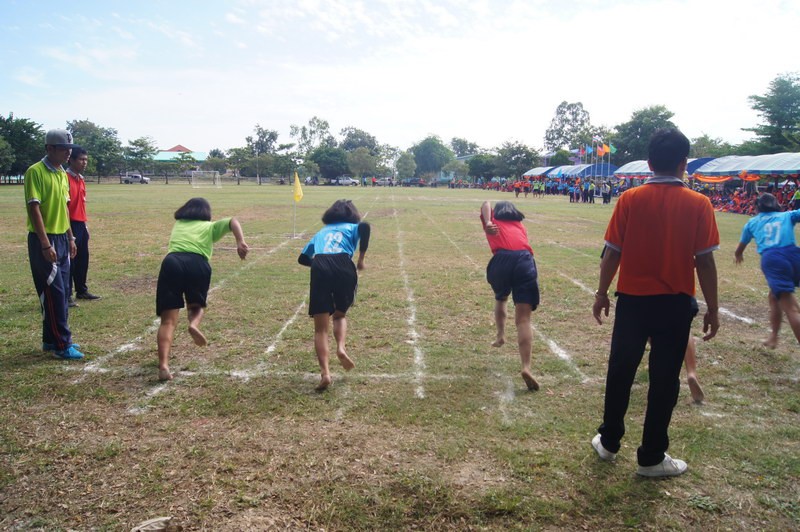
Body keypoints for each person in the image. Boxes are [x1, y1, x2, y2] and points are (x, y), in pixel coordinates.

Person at [591, 129, 720, 477]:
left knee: (621, 370)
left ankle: (608, 441)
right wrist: (713, 308)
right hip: (675, 304)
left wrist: (601, 293)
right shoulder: (699, 203)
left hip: (633, 302)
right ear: (684, 163)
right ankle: (651, 457)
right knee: (664, 379)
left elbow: (612, 254)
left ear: (649, 163)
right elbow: (705, 261)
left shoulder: (629, 199)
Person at [155, 198, 249, 381]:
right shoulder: (209, 227)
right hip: (198, 264)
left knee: (168, 321)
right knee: (196, 306)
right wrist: (240, 241)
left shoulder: (179, 224)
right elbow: (233, 221)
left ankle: (164, 365)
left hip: (172, 262)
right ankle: (193, 324)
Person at [298, 199, 370, 391]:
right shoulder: (352, 227)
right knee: (339, 315)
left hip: (320, 264)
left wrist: (319, 265)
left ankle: (325, 374)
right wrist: (361, 259)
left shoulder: (321, 232)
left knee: (320, 330)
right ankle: (341, 348)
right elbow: (365, 227)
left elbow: (302, 258)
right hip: (344, 264)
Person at [24, 129, 83, 359]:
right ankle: (62, 345)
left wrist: (70, 237)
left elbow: (64, 208)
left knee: (64, 290)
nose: (68, 153)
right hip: (45, 239)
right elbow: (34, 208)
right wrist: (45, 244)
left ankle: (51, 339)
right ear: (49, 148)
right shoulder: (35, 172)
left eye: (70, 149)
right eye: (64, 149)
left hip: (61, 238)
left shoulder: (61, 173)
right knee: (54, 292)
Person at [480, 200, 541, 391]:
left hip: (501, 261)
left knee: (501, 298)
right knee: (523, 320)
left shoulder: (494, 221)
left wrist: (488, 222)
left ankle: (500, 336)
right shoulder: (519, 225)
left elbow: (486, 203)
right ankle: (526, 367)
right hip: (524, 260)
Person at [734, 193, 800, 347]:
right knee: (774, 296)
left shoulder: (752, 222)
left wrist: (738, 255)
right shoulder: (787, 215)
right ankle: (773, 337)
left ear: (757, 207)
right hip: (794, 255)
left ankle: (775, 336)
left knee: (790, 308)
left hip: (773, 259)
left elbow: (741, 246)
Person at [66, 147, 101, 306]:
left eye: (86, 159)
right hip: (69, 224)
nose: (84, 162)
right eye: (81, 159)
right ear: (71, 160)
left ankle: (81, 290)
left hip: (81, 224)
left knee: (82, 259)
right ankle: (67, 295)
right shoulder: (65, 178)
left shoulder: (80, 179)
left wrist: (85, 226)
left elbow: (81, 205)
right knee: (70, 261)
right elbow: (65, 207)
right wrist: (69, 233)